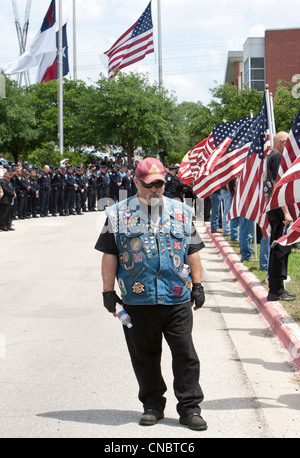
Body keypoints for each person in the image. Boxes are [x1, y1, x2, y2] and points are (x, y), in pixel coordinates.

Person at [95, 157, 207, 432]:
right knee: (145, 356)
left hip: (176, 296)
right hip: (138, 299)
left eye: (160, 184)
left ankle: (190, 408)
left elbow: (192, 252)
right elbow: (110, 256)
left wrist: (199, 284)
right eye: (150, 185)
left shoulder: (182, 212)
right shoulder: (117, 215)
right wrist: (108, 292)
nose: (156, 190)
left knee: (185, 354)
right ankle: (152, 405)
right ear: (136, 182)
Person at [266, 131, 295, 302]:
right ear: (283, 143)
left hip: (275, 208)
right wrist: (286, 211)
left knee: (278, 247)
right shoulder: (276, 158)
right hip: (279, 209)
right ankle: (276, 289)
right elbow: (278, 185)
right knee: (281, 248)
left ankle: (276, 287)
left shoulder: (271, 156)